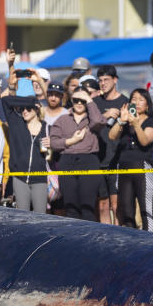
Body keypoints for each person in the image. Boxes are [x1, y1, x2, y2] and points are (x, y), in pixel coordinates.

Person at [50, 88, 104, 221]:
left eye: (83, 100)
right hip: (67, 161)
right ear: (71, 101)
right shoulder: (62, 120)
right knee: (70, 206)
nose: (79, 103)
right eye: (76, 100)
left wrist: (89, 100)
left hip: (89, 160)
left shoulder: (92, 118)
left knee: (88, 207)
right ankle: (74, 240)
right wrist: (71, 141)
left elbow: (99, 121)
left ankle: (89, 239)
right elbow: (53, 143)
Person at [109, 89, 153, 231]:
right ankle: (132, 241)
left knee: (146, 208)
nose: (136, 102)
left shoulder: (151, 121)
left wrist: (136, 124)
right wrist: (121, 121)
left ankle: (151, 239)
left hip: (142, 167)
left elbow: (145, 141)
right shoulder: (124, 122)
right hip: (124, 167)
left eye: (141, 99)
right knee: (127, 209)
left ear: (147, 104)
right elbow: (112, 136)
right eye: (134, 99)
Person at [1, 94, 49, 213]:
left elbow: (51, 155)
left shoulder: (47, 128)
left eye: (28, 108)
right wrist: (29, 101)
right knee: (23, 217)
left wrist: (52, 144)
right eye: (22, 108)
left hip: (40, 178)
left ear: (36, 109)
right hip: (19, 178)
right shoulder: (16, 124)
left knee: (40, 216)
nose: (24, 111)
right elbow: (5, 100)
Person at [94, 66, 129, 225]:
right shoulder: (95, 103)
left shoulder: (124, 102)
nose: (103, 83)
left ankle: (119, 237)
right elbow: (89, 125)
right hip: (98, 159)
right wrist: (105, 115)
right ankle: (105, 238)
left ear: (115, 80)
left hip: (117, 160)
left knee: (116, 205)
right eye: (100, 80)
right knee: (102, 205)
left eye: (106, 80)